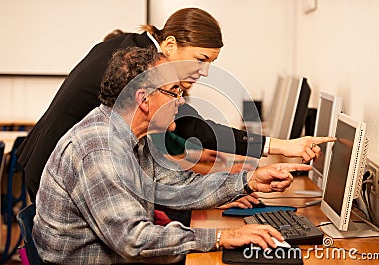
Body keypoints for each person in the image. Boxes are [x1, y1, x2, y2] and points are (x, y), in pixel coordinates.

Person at [17, 7, 334, 203]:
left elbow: (172, 142)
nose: (205, 71)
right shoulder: (140, 67)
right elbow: (189, 127)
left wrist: (229, 184)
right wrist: (281, 146)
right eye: (200, 59)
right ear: (169, 45)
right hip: (52, 172)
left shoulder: (137, 47)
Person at [33, 47, 312, 264]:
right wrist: (221, 237)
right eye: (174, 92)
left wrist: (249, 181)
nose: (180, 102)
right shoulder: (98, 149)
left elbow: (180, 187)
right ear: (144, 100)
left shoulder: (135, 137)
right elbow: (134, 240)